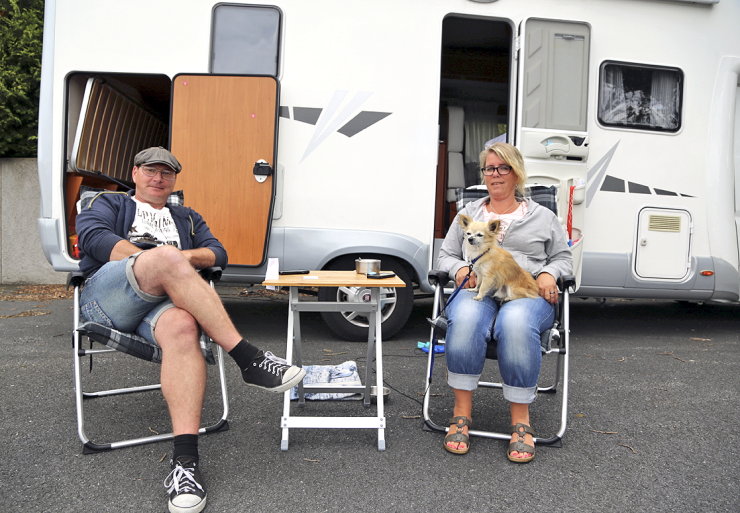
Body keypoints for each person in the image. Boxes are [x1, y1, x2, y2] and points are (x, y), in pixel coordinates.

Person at [75, 146, 306, 513]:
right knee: (165, 256)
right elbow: (93, 237)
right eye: (150, 170)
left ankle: (185, 463)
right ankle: (248, 358)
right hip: (109, 298)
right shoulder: (110, 202)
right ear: (134, 173)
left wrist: (177, 262)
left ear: (174, 180)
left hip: (162, 306)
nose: (158, 178)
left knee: (184, 326)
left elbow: (218, 253)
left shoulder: (187, 217)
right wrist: (160, 260)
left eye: (166, 173)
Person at [437, 142, 572, 463]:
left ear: (516, 173)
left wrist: (550, 273)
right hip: (479, 287)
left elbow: (563, 258)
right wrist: (458, 270)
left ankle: (521, 421)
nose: (494, 174)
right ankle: (461, 414)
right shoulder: (469, 215)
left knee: (515, 323)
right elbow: (445, 255)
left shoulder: (543, 216)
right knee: (467, 319)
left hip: (524, 289)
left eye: (502, 168)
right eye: (489, 169)